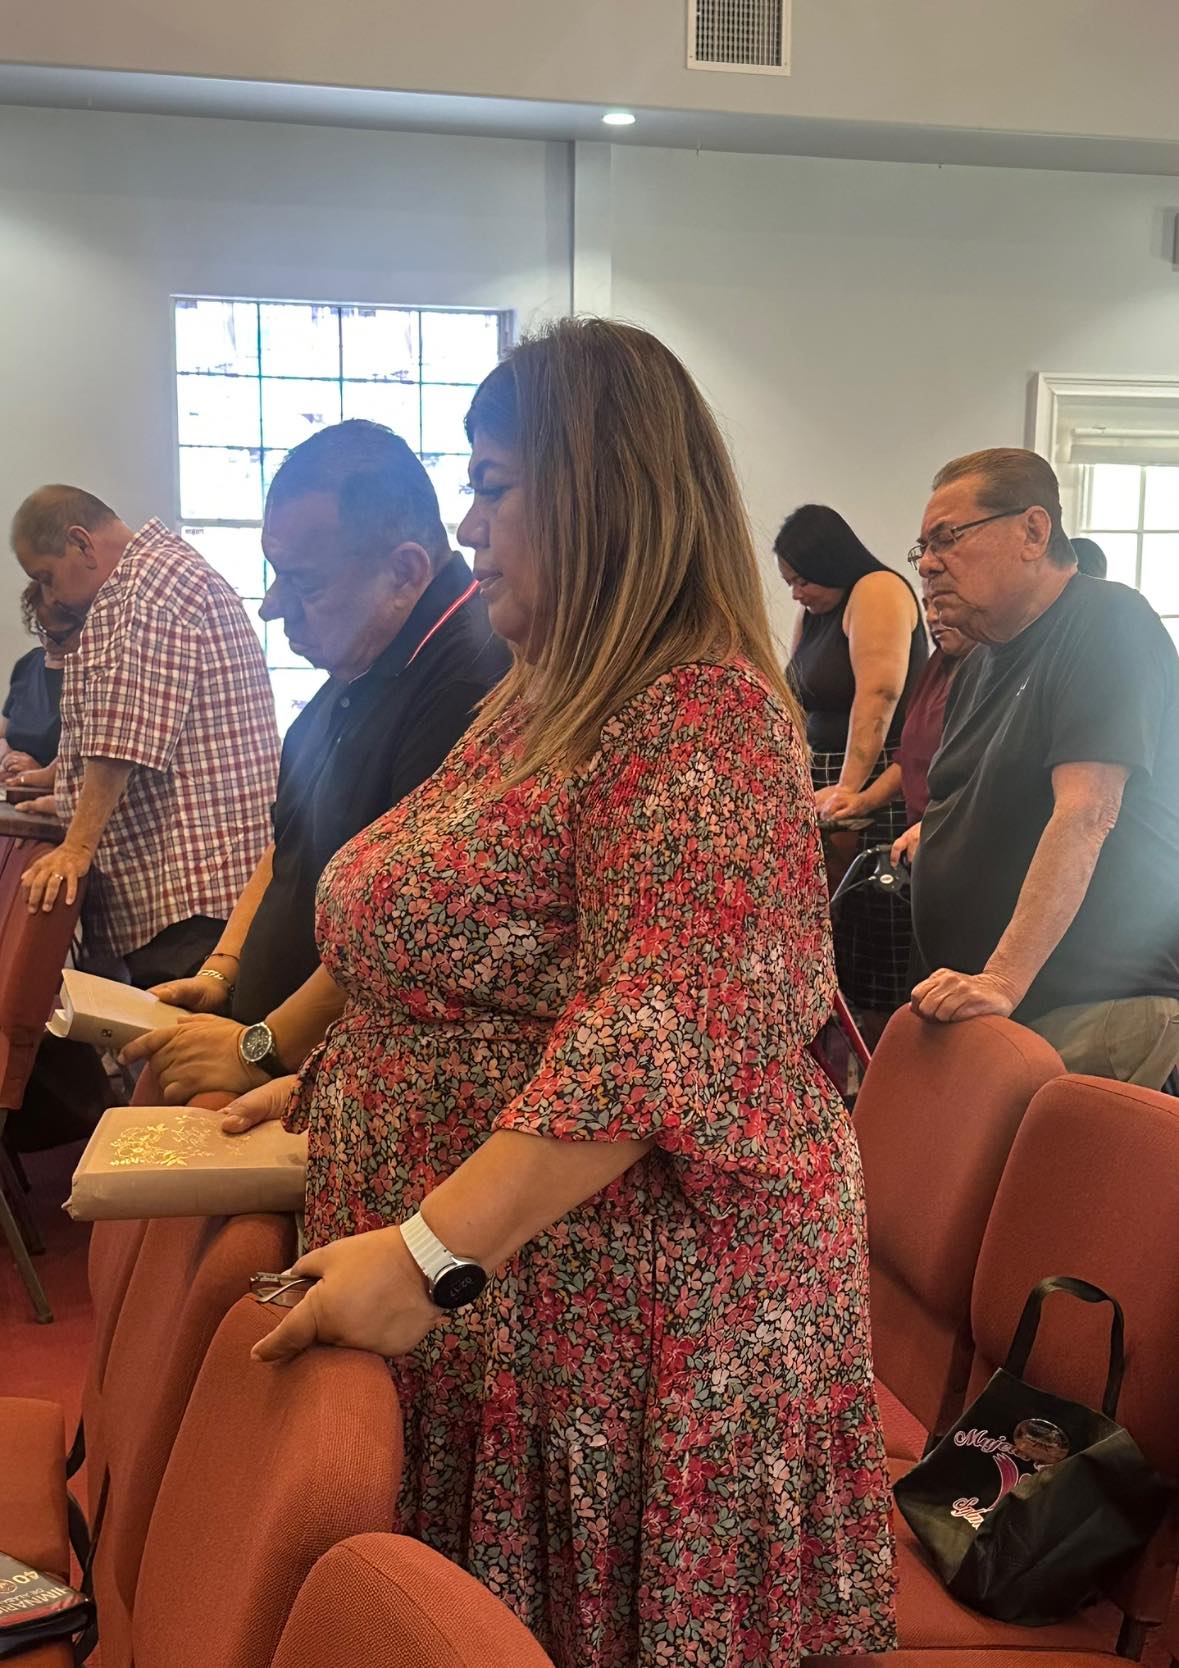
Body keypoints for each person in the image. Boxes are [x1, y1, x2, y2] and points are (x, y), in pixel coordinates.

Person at [231, 321, 896, 1667]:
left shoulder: (699, 709)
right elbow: (446, 944)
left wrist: (429, 1256)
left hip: (628, 1344)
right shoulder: (546, 697)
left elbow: (660, 1032)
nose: (467, 526)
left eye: (491, 483)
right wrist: (312, 1081)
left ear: (600, 489)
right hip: (518, 1322)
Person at [122, 419, 510, 1100]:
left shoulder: (467, 678)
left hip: (329, 1074)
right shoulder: (366, 655)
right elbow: (290, 845)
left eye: (304, 583)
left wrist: (259, 1048)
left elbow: (405, 927)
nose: (273, 608)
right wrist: (222, 971)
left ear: (404, 573)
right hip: (265, 1035)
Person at [909, 447, 1179, 1090]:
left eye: (948, 538)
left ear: (1034, 531)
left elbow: (1089, 810)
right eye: (922, 547)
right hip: (1009, 1011)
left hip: (1097, 1005)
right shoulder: (978, 663)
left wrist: (1001, 978)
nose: (928, 563)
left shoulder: (1107, 620)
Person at [10, 487, 280, 986]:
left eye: (47, 577)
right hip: (195, 891)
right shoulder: (159, 574)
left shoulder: (148, 583)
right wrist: (63, 790)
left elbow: (122, 731)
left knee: (174, 1032)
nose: (52, 597)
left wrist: (76, 847)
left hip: (191, 895)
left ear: (81, 543)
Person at [776, 504, 927, 1027]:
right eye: (789, 583)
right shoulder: (814, 612)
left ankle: (880, 1052)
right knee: (825, 929)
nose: (796, 593)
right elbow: (794, 696)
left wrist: (849, 790)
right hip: (823, 778)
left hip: (875, 778)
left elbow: (879, 696)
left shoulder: (876, 589)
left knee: (870, 933)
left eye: (802, 580)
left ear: (830, 562)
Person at [828, 590, 974, 851]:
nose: (931, 616)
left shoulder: (987, 669)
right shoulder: (937, 664)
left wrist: (938, 824)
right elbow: (910, 756)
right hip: (920, 834)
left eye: (941, 603)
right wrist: (862, 801)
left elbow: (980, 774)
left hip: (956, 835)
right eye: (927, 605)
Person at [0, 582, 80, 779]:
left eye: (61, 636)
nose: (49, 642)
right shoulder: (28, 664)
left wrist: (40, 773)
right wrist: (7, 757)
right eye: (42, 631)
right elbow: (3, 733)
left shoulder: (92, 675)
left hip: (58, 791)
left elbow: (86, 762)